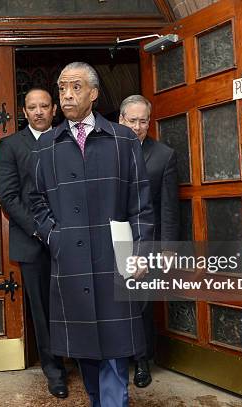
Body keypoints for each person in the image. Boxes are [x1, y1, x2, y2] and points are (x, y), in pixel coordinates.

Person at [30, 62, 153, 407]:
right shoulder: (46, 146)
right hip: (71, 261)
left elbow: (141, 202)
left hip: (115, 255)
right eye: (62, 88)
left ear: (94, 94)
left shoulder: (122, 139)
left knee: (114, 347)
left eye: (76, 87)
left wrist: (140, 249)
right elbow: (35, 201)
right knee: (84, 346)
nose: (67, 94)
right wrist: (56, 238)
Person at [0, 88, 67, 398]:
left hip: (71, 240)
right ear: (24, 112)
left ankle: (83, 359)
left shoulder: (68, 139)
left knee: (73, 304)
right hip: (33, 241)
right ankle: (55, 371)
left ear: (54, 110)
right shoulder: (11, 145)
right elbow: (8, 197)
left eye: (44, 106)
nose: (38, 112)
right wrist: (41, 230)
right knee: (43, 309)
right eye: (32, 107)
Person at [118, 94, 179, 388]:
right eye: (133, 121)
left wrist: (167, 248)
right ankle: (117, 357)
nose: (138, 127)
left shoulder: (163, 155)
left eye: (143, 121)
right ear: (121, 120)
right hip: (114, 240)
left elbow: (168, 207)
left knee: (141, 303)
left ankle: (142, 361)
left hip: (146, 242)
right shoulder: (106, 150)